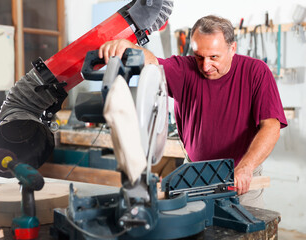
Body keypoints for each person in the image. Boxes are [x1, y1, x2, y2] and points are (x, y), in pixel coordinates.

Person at [98, 15, 287, 208]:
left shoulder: (257, 72)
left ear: (232, 48)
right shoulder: (185, 69)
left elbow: (271, 126)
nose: (205, 66)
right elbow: (152, 62)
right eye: (199, 57)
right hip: (194, 176)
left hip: (241, 178)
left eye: (214, 57)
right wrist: (126, 47)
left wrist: (246, 167)